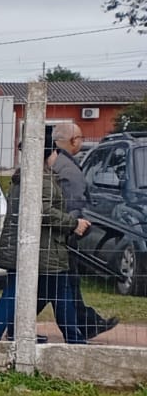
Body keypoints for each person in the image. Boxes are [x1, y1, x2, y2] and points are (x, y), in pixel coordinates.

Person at [0, 141, 96, 345]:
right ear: (49, 153)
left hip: (29, 247)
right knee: (61, 293)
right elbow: (43, 212)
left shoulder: (22, 177)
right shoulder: (41, 179)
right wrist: (73, 223)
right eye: (55, 152)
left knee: (16, 292)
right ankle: (74, 339)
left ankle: (0, 332)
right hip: (44, 250)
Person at [48, 121, 119, 338]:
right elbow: (73, 206)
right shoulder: (70, 170)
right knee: (65, 285)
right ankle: (84, 326)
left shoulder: (55, 163)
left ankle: (86, 324)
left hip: (55, 236)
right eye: (80, 138)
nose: (82, 141)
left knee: (62, 286)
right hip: (64, 237)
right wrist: (75, 227)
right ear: (73, 141)